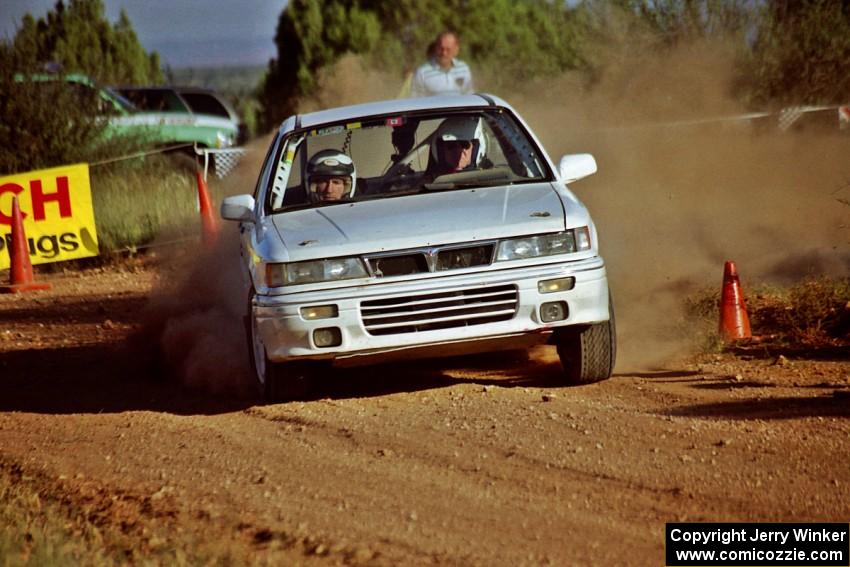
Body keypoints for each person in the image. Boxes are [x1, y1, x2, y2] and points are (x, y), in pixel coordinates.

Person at [410, 31, 474, 98]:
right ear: (436, 48)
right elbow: (416, 100)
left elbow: (469, 96)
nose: (444, 53)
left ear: (456, 50)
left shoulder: (463, 68)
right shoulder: (422, 72)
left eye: (448, 49)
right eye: (441, 48)